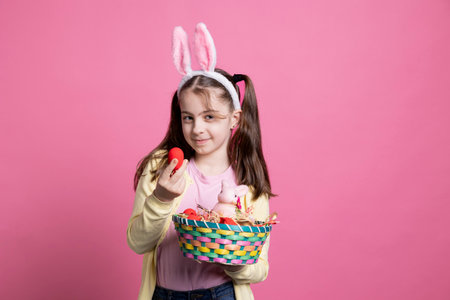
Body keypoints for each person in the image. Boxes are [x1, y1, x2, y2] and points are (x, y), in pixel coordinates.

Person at [127, 23, 275, 300]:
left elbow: (260, 270)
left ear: (234, 119)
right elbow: (138, 243)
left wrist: (235, 256)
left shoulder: (247, 185)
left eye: (210, 116)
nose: (197, 129)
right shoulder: (161, 168)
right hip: (165, 294)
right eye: (188, 117)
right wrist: (160, 197)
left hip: (223, 294)